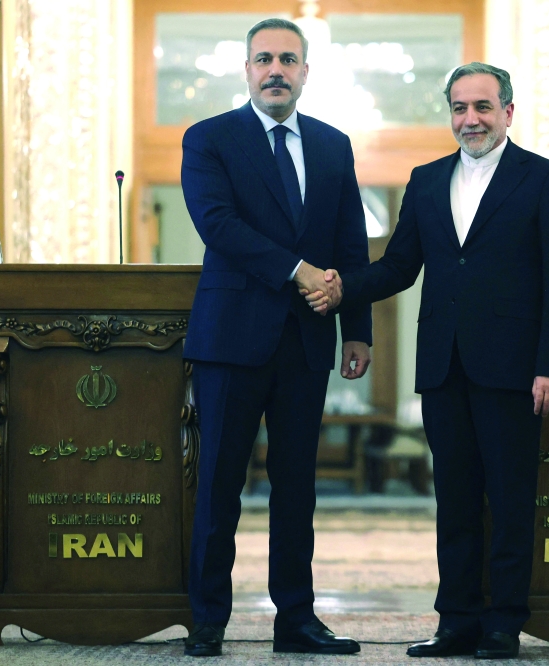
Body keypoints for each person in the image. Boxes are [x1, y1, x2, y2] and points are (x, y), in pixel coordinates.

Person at [305, 62, 549, 660]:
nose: (470, 119)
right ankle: (456, 621)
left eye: (482, 106)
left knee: (508, 501)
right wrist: (341, 287)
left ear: (508, 110)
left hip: (514, 371)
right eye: (459, 107)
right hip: (443, 368)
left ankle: (504, 623)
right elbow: (399, 267)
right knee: (454, 500)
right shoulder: (426, 180)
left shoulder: (545, 179)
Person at [179, 18, 372, 658]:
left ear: (306, 72)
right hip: (231, 339)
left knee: (297, 490)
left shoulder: (332, 144)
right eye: (264, 59)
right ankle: (207, 619)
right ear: (246, 70)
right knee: (219, 486)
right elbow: (218, 225)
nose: (275, 71)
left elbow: (349, 240)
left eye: (288, 60)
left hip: (308, 340)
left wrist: (357, 327)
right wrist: (299, 272)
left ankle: (297, 621)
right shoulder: (209, 139)